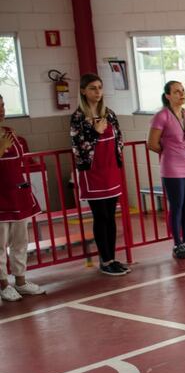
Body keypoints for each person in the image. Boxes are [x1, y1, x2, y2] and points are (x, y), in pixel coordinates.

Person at [70, 73, 129, 276]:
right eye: (93, 88)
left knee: (111, 216)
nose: (97, 92)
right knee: (101, 216)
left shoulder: (109, 113)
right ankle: (104, 260)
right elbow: (78, 147)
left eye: (99, 87)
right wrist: (95, 133)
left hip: (110, 171)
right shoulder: (78, 117)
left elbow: (119, 138)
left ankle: (112, 257)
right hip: (93, 174)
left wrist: (116, 158)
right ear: (83, 91)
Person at [147, 81, 185, 259]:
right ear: (168, 96)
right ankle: (177, 243)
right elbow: (152, 143)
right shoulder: (161, 116)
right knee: (176, 205)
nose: (181, 94)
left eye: (183, 91)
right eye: (177, 92)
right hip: (172, 167)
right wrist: (169, 152)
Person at [0, 95, 44, 301]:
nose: (1, 110)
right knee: (0, 244)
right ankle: (3, 284)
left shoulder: (10, 133)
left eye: (2, 105)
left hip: (17, 192)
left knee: (20, 240)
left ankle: (21, 281)